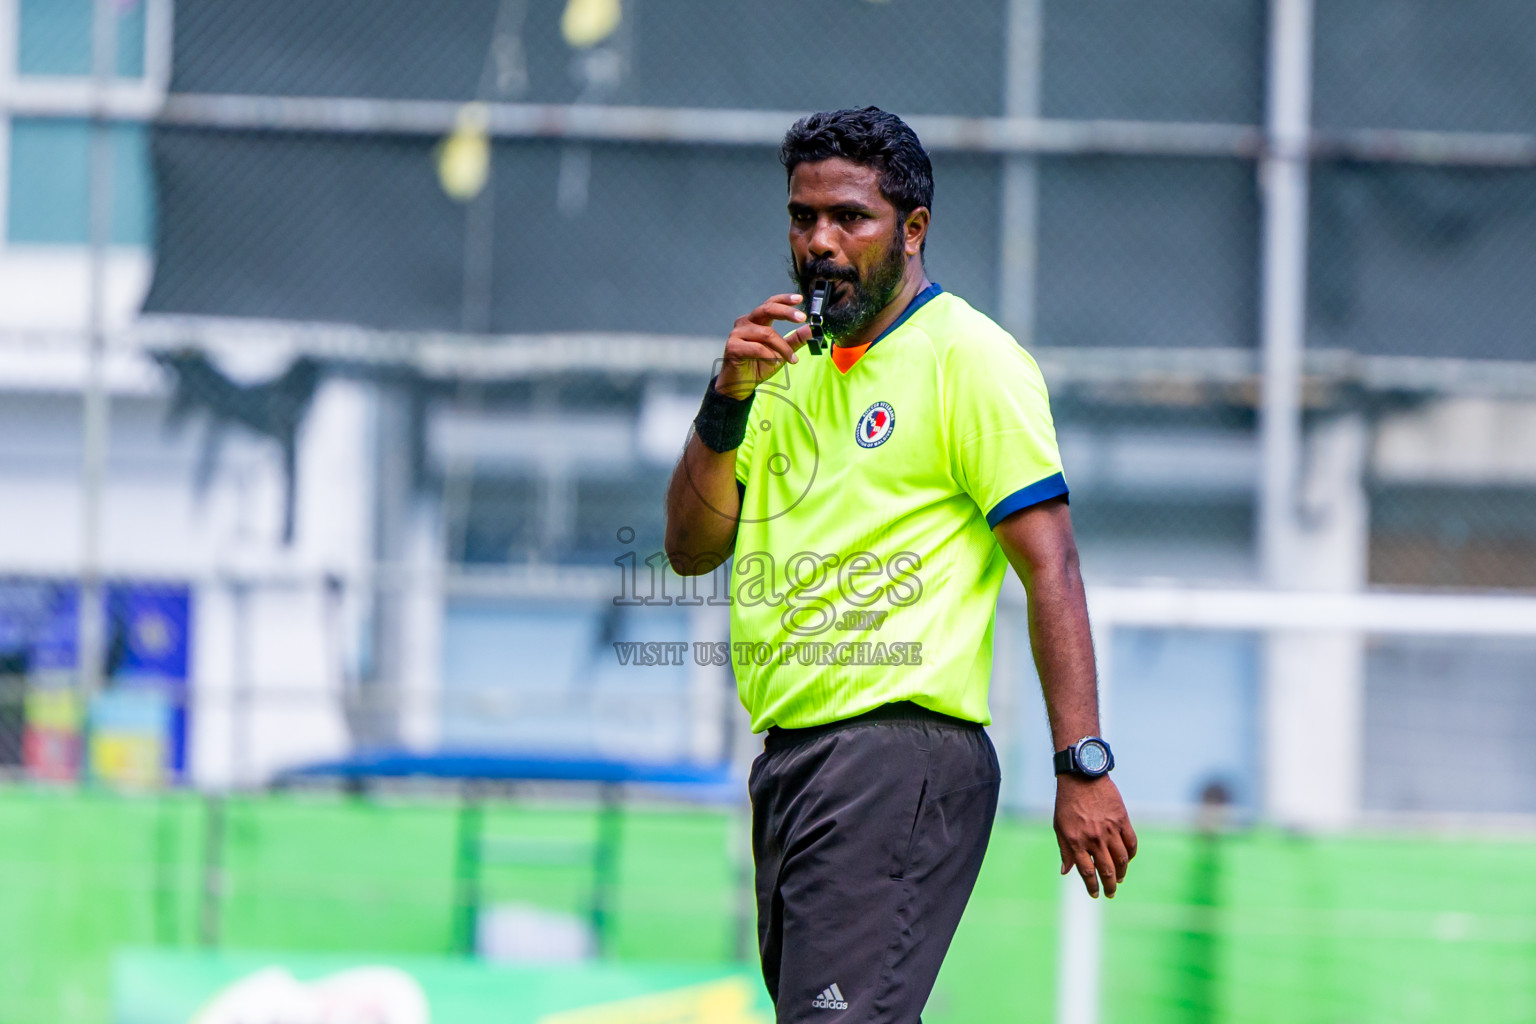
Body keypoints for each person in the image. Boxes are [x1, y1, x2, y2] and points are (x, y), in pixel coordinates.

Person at [663, 106, 1136, 1023]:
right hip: (792, 766)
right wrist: (724, 402)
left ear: (912, 230)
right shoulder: (777, 369)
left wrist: (1080, 763)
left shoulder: (971, 359)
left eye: (851, 218)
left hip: (896, 757)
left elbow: (1053, 568)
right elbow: (689, 549)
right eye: (804, 218)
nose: (821, 243)